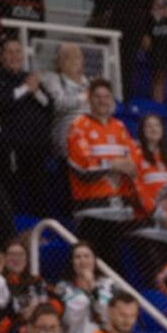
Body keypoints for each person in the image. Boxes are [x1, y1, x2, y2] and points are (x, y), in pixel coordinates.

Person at [64, 77, 136, 262]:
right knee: (88, 262)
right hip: (91, 209)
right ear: (89, 99)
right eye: (97, 96)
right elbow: (83, 166)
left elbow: (133, 163)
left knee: (113, 267)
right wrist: (114, 164)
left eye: (106, 96)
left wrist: (110, 164)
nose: (102, 100)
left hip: (118, 209)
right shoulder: (79, 125)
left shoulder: (119, 127)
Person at [0, 30, 51, 206]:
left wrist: (35, 91)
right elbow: (0, 102)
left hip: (36, 146)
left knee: (40, 196)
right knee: (9, 195)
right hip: (10, 147)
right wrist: (25, 89)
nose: (14, 56)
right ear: (1, 56)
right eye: (9, 52)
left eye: (17, 51)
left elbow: (49, 105)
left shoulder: (30, 77)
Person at [127, 110, 167, 282]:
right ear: (142, 131)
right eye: (149, 126)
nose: (153, 129)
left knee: (166, 275)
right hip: (145, 226)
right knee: (155, 278)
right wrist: (158, 214)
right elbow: (136, 188)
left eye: (157, 125)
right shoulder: (136, 156)